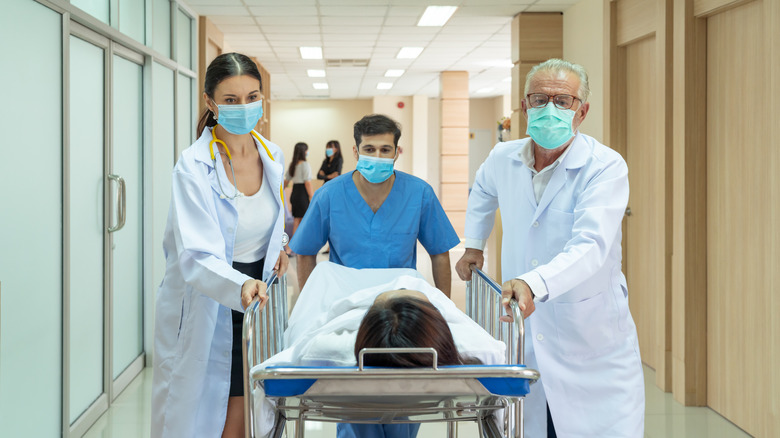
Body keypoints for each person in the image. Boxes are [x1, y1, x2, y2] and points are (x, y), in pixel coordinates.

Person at [455, 58, 645, 437]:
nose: (549, 109)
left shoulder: (604, 166)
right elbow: (482, 191)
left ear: (582, 110)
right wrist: (474, 244)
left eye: (563, 101)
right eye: (539, 98)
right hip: (523, 329)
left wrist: (533, 282)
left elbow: (591, 245)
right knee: (529, 422)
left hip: (589, 332)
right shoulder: (502, 157)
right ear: (524, 105)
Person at [151, 52, 289, 438]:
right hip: (211, 295)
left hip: (257, 295)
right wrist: (238, 285)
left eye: (252, 96)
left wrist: (280, 245)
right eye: (230, 100)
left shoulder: (272, 155)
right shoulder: (193, 166)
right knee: (217, 415)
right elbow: (195, 254)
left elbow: (270, 218)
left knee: (252, 407)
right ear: (211, 103)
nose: (244, 107)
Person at [253, 262, 505, 437]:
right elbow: (506, 377)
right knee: (324, 272)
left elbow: (265, 377)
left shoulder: (327, 349)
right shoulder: (473, 348)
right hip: (366, 300)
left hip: (402, 305)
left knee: (363, 409)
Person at [289, 114, 460, 297]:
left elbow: (440, 252)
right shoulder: (329, 195)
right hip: (344, 300)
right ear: (356, 152)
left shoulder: (419, 193)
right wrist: (309, 305)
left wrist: (444, 307)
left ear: (396, 152)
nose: (377, 157)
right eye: (369, 149)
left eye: (385, 150)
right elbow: (305, 251)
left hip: (400, 302)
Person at [284, 141, 314, 244]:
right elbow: (308, 183)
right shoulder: (305, 165)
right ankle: (297, 245)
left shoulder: (292, 165)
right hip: (302, 194)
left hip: (295, 193)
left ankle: (292, 246)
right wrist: (312, 196)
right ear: (303, 152)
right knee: (304, 221)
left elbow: (286, 181)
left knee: (297, 220)